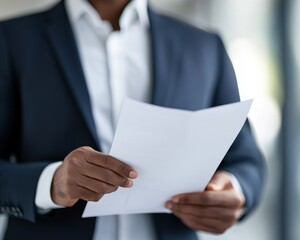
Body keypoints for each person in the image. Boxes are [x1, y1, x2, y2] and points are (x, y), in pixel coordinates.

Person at [0, 0, 266, 239]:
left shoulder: (204, 47)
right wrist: (52, 182)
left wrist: (234, 192)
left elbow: (245, 159)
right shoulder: (11, 40)